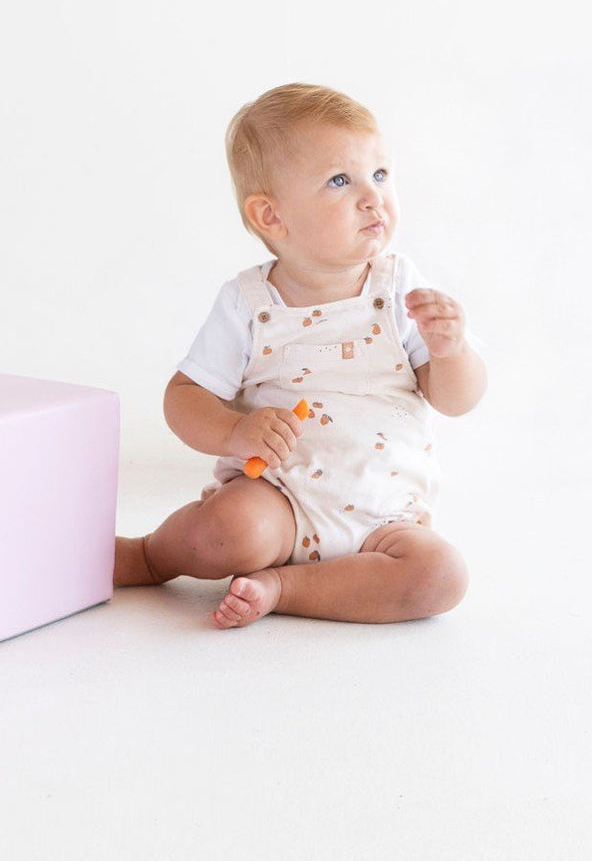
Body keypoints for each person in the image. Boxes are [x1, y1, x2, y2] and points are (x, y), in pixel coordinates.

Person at [114, 83, 486, 627]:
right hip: (279, 500)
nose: (372, 196)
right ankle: (151, 555)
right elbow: (184, 398)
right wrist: (233, 433)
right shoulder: (250, 303)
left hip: (387, 517)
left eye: (380, 174)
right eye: (341, 180)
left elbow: (454, 400)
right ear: (271, 216)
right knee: (232, 530)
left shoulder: (399, 288)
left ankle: (282, 587)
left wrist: (451, 351)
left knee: (442, 575)